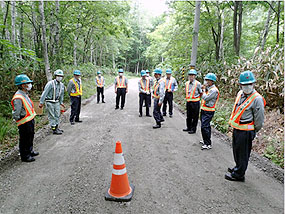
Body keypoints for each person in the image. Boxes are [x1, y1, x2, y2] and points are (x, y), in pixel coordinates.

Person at [225, 71, 265, 182]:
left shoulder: (257, 99)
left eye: (249, 84)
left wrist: (254, 131)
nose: (247, 87)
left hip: (246, 131)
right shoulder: (240, 94)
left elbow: (259, 119)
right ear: (240, 85)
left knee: (243, 154)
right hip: (237, 128)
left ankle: (239, 175)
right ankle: (238, 167)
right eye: (244, 84)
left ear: (253, 84)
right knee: (236, 150)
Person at [11, 74, 39, 162]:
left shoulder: (24, 94)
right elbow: (17, 111)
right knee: (24, 138)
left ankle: (30, 150)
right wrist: (16, 118)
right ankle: (25, 155)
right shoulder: (18, 97)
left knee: (30, 136)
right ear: (23, 85)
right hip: (24, 121)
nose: (29, 85)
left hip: (29, 119)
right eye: (28, 83)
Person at [39, 69, 65, 135]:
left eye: (61, 76)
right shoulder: (50, 84)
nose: (59, 77)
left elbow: (61, 94)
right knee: (52, 115)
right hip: (49, 101)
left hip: (56, 102)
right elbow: (45, 93)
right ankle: (54, 129)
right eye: (58, 76)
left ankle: (56, 127)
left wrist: (61, 102)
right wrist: (41, 102)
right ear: (55, 76)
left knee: (57, 115)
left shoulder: (61, 85)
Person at [200, 73, 220, 150]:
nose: (206, 81)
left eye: (208, 80)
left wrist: (203, 91)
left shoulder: (214, 90)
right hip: (204, 109)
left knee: (205, 126)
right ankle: (205, 140)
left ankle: (208, 143)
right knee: (204, 126)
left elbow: (206, 98)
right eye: (206, 80)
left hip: (209, 111)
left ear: (212, 81)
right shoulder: (208, 88)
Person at [183, 69, 203, 134]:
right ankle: (188, 127)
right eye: (190, 75)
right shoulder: (186, 83)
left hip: (195, 103)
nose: (191, 77)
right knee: (188, 116)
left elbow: (201, 93)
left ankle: (193, 129)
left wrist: (198, 99)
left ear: (195, 76)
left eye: (192, 75)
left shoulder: (198, 84)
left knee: (195, 117)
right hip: (188, 102)